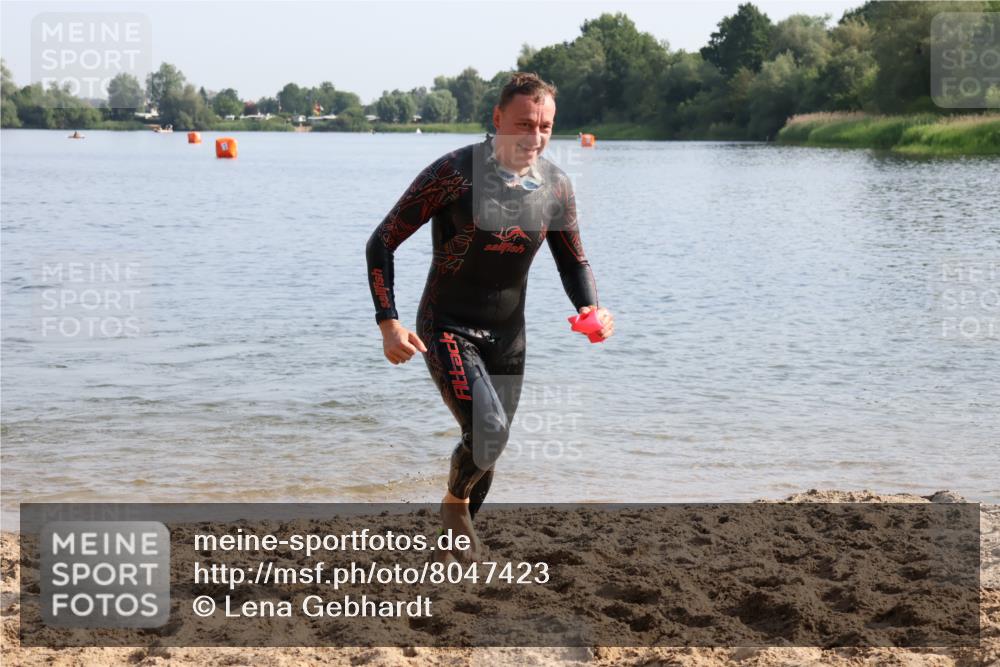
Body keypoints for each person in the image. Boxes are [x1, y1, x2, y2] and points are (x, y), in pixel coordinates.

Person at [366, 72, 614, 562]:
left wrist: (591, 307)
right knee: (489, 429)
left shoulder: (556, 186)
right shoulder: (455, 173)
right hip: (448, 325)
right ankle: (454, 507)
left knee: (488, 442)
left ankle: (452, 549)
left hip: (509, 335)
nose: (535, 137)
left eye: (545, 127)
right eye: (524, 124)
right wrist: (389, 322)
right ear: (498, 118)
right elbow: (383, 241)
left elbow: (573, 259)